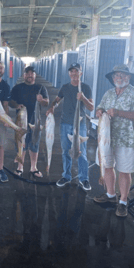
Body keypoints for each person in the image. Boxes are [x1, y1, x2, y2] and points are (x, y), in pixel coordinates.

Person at [93, 64, 134, 217]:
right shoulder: (109, 93)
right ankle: (110, 195)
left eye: (123, 75)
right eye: (116, 75)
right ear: (112, 78)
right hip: (106, 138)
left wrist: (119, 113)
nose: (119, 78)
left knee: (124, 171)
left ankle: (123, 202)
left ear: (128, 77)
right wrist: (99, 110)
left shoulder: (133, 93)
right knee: (107, 166)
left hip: (126, 139)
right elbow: (100, 107)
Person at [47, 63, 94, 191]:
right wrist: (52, 107)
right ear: (69, 73)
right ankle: (66, 176)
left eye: (76, 71)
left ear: (81, 73)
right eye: (71, 71)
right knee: (66, 150)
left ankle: (84, 178)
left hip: (80, 124)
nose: (74, 73)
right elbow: (57, 100)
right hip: (65, 123)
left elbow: (91, 107)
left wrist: (83, 97)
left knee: (82, 153)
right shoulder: (64, 87)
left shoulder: (85, 87)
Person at [9, 66, 49, 177]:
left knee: (34, 144)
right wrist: (16, 105)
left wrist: (42, 100)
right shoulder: (17, 88)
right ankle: (20, 167)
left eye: (32, 73)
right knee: (21, 144)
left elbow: (47, 102)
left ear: (35, 75)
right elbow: (10, 102)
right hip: (21, 121)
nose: (29, 75)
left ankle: (33, 167)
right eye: (27, 73)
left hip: (35, 121)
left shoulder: (40, 87)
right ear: (24, 75)